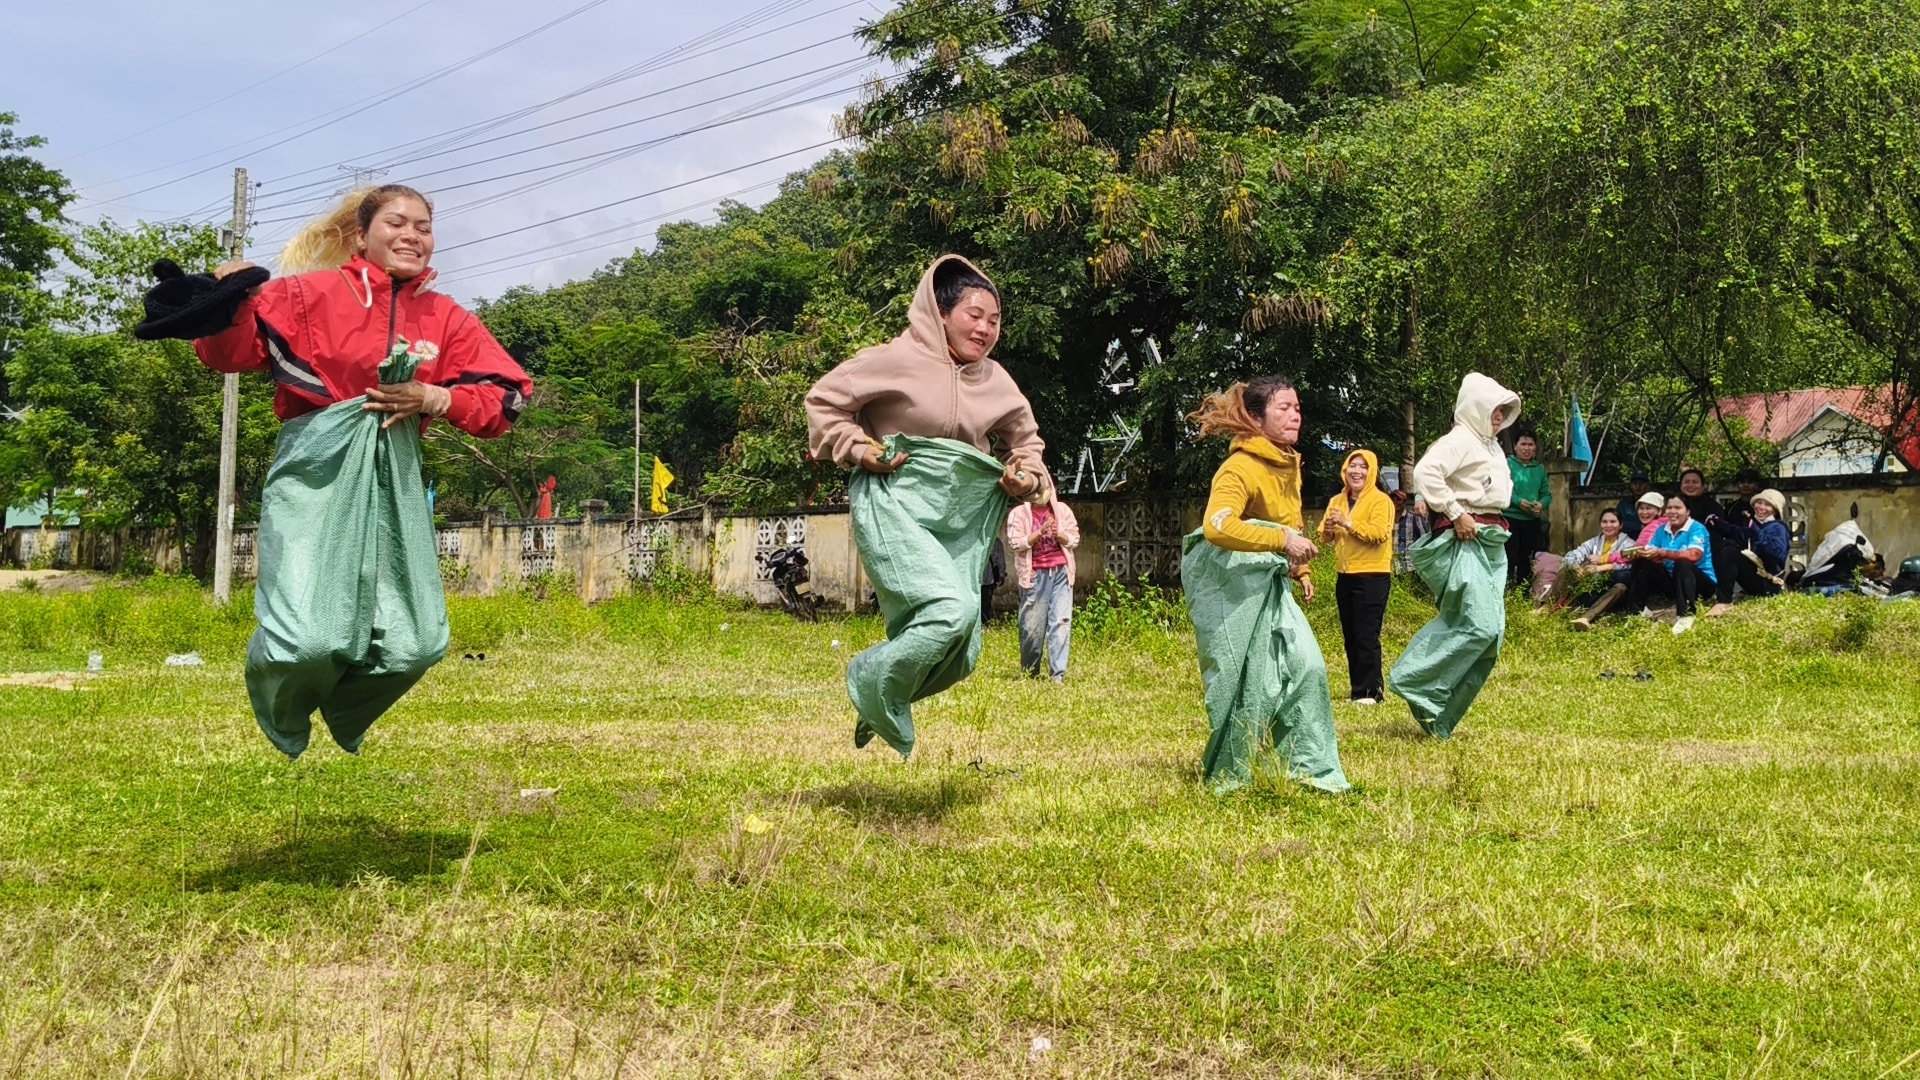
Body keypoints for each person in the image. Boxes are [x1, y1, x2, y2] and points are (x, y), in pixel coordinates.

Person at [186, 185, 533, 758]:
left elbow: (507, 397)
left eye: (423, 226)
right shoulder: (306, 295)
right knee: (307, 642)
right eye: (396, 222)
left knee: (417, 643)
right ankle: (280, 696)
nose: (412, 235)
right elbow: (226, 354)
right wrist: (231, 297)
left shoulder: (444, 318)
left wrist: (434, 397)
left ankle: (346, 714)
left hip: (395, 475)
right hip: (316, 472)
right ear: (362, 234)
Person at [806, 255, 1050, 758]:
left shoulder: (997, 380)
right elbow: (823, 403)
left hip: (959, 518)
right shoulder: (890, 360)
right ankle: (872, 676)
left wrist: (1023, 476)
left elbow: (1027, 445)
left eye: (995, 320)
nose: (985, 328)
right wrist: (860, 448)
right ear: (939, 314)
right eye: (974, 315)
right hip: (894, 502)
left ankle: (880, 694)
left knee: (964, 649)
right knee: (947, 612)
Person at [1180, 376, 1348, 794]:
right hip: (1233, 592)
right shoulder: (1239, 467)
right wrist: (1282, 541)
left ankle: (1312, 772)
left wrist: (1300, 569)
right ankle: (1230, 773)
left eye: (1297, 408)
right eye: (1283, 408)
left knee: (1307, 669)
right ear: (1256, 419)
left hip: (1273, 588)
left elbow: (1288, 523)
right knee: (1248, 684)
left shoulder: (1288, 463)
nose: (1295, 416)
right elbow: (1217, 526)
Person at [1390, 372, 1521, 739]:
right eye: (1494, 408)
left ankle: (1440, 717)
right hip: (1466, 537)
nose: (1499, 415)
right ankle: (1413, 680)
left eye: (1504, 410)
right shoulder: (1461, 438)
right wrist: (1454, 511)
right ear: (1476, 406)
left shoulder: (1492, 445)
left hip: (1493, 537)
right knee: (1478, 624)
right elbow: (1427, 471)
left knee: (1491, 638)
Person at [1320, 449, 1395, 705]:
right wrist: (1329, 529)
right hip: (1345, 574)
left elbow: (1379, 534)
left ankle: (1371, 691)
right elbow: (1324, 534)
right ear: (1345, 470)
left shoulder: (1381, 501)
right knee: (1351, 634)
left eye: (1363, 467)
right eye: (1353, 466)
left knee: (1366, 635)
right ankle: (1358, 689)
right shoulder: (1336, 500)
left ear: (1371, 471)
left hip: (1372, 575)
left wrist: (1348, 523)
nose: (1357, 471)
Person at [1005, 498, 1080, 681]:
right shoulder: (1019, 513)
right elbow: (1016, 544)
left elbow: (1074, 540)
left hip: (1062, 572)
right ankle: (1031, 672)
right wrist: (1039, 532)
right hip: (1035, 574)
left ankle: (1057, 676)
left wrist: (1058, 534)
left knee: (1061, 622)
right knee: (1032, 627)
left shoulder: (1062, 509)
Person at [1621, 494, 1716, 634]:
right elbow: (1654, 553)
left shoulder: (1697, 528)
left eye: (1678, 508)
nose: (1672, 511)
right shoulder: (1661, 530)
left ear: (1688, 511)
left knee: (1683, 562)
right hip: (1672, 581)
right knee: (1642, 562)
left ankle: (1686, 614)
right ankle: (1637, 611)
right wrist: (1646, 554)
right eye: (1669, 508)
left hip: (1700, 583)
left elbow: (1694, 555)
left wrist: (1662, 552)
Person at [1564, 509, 1638, 630]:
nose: (1608, 525)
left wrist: (1600, 568)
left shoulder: (1628, 544)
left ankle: (1586, 618)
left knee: (1620, 588)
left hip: (1609, 589)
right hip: (1589, 586)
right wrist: (1576, 567)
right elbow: (1571, 555)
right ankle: (1547, 606)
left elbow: (1630, 565)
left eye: (1613, 521)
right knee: (1565, 568)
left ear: (1621, 525)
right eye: (1604, 522)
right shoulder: (1594, 542)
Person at [1503, 425, 1551, 587]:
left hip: (1532, 521)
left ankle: (1524, 593)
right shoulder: (1506, 465)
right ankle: (1506, 592)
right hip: (1510, 519)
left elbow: (1547, 494)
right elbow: (1500, 490)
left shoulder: (1539, 469)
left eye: (1530, 445)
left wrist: (1541, 504)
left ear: (1535, 448)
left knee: (1528, 559)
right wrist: (1517, 501)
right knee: (1509, 557)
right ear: (1515, 446)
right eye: (1523, 444)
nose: (1527, 448)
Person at [1728, 488, 1790, 598]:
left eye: (1767, 505)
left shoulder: (1779, 528)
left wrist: (1755, 530)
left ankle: (1724, 600)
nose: (1761, 507)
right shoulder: (1754, 525)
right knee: (1727, 549)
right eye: (1759, 503)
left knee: (1730, 554)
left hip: (1769, 583)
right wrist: (1717, 523)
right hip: (1753, 577)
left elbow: (1776, 554)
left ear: (1774, 510)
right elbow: (1737, 533)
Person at [1392, 489, 1430, 573]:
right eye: (1393, 499)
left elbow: (1424, 540)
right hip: (1391, 566)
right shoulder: (1386, 519)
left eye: (1398, 499)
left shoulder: (1415, 518)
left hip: (1409, 566)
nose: (1395, 502)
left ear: (1404, 502)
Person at [981, 537, 1007, 624]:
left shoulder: (974, 539)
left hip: (982, 579)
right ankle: (984, 624)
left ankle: (980, 624)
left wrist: (1001, 574)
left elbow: (1000, 558)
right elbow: (1000, 558)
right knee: (985, 603)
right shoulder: (995, 540)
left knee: (981, 603)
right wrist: (1001, 574)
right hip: (988, 579)